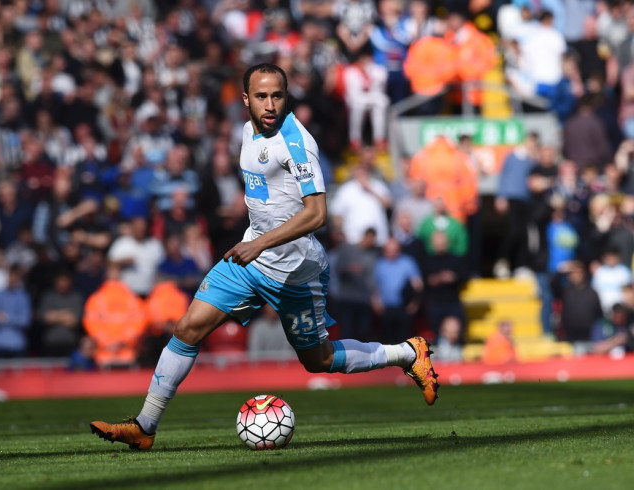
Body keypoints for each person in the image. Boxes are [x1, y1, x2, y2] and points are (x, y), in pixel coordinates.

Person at [90, 63, 439, 451]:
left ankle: (407, 352)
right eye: (261, 96)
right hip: (249, 260)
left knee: (319, 361)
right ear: (246, 100)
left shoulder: (296, 143)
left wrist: (260, 243)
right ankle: (145, 426)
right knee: (188, 329)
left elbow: (317, 214)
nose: (270, 104)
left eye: (277, 96)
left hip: (295, 271)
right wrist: (254, 241)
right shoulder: (246, 131)